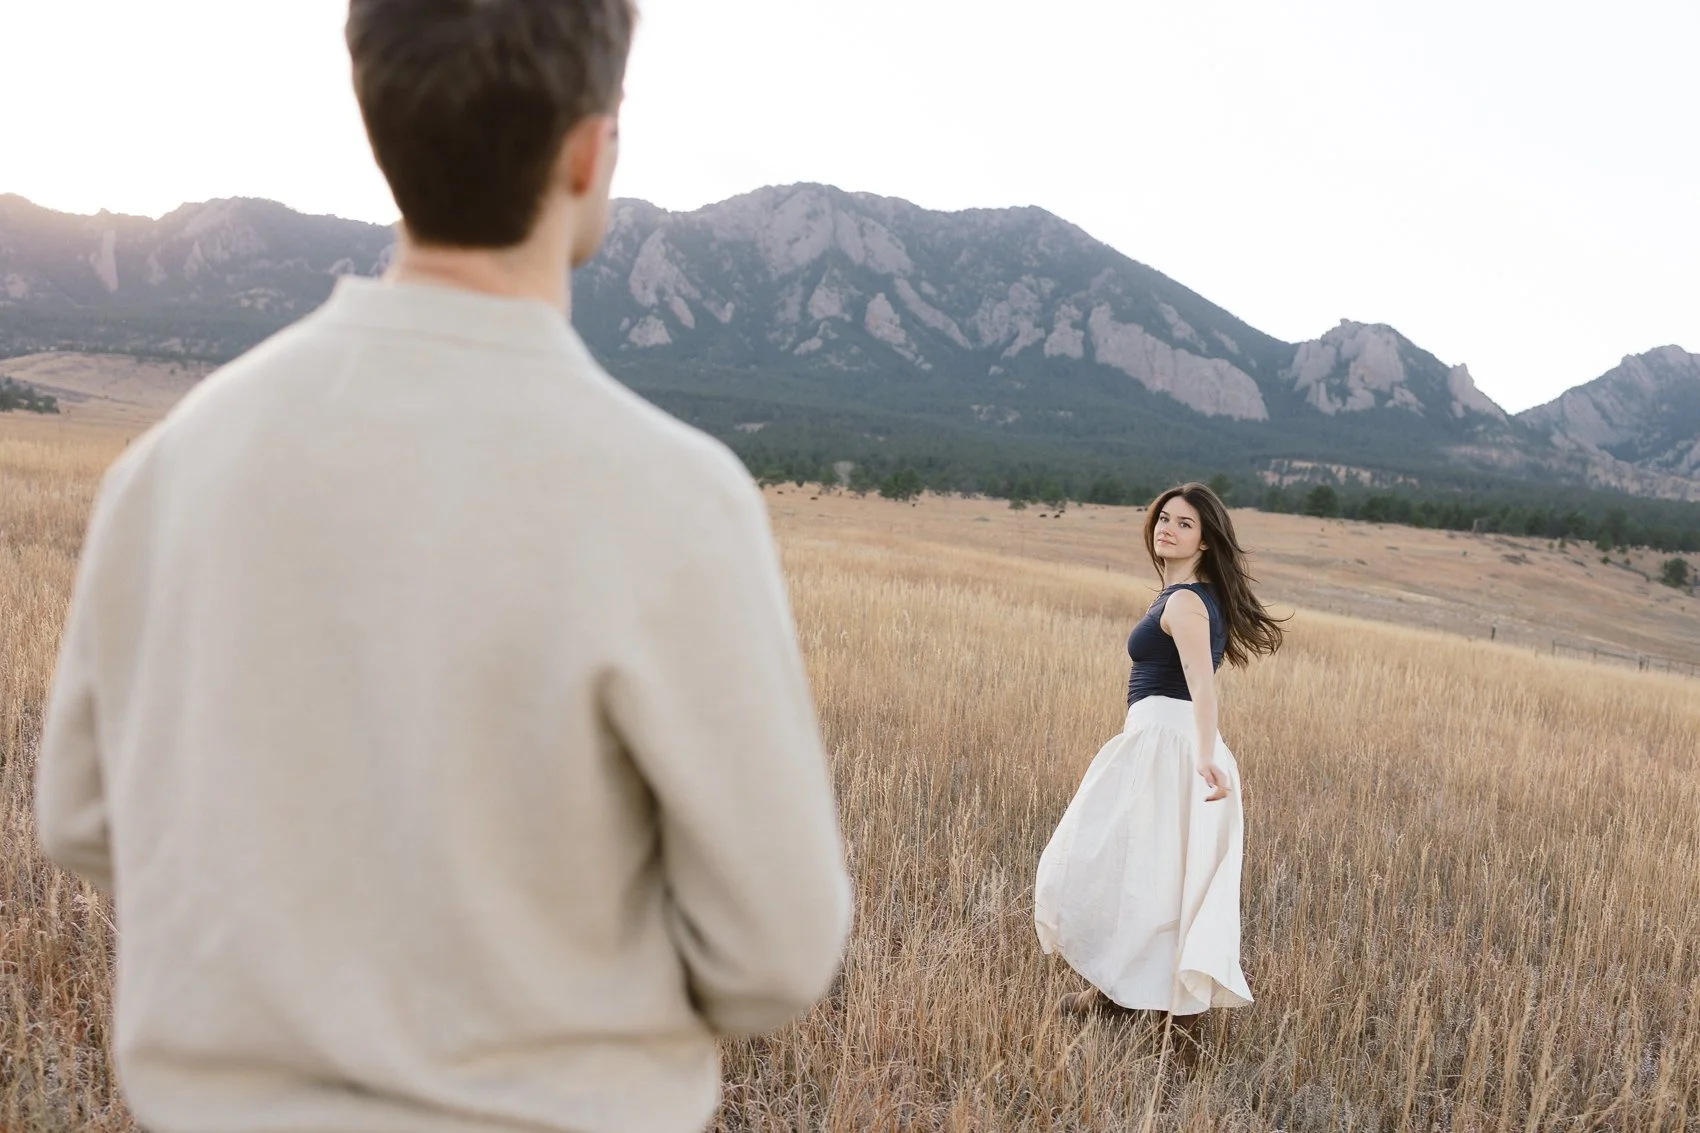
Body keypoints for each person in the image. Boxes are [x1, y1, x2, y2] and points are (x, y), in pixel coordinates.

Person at [34, 3, 852, 1131]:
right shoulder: (673, 496)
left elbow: (78, 818)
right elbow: (778, 947)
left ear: (379, 123)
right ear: (586, 145)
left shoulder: (170, 466)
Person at [1034, 482, 1284, 1027]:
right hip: (1159, 739)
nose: (1168, 527)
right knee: (1137, 866)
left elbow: (1200, 680)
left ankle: (1173, 1015)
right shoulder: (1182, 595)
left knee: (1135, 867)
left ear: (1205, 541)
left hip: (1172, 746)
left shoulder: (1189, 601)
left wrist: (1202, 753)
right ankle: (1116, 990)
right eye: (1165, 517)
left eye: (1185, 523)